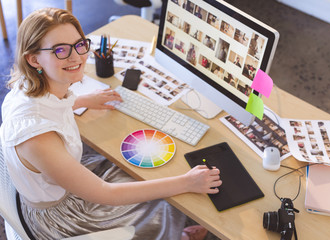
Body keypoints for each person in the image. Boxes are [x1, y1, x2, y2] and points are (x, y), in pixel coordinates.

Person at [0, 8, 222, 240]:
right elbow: (106, 194)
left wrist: (84, 100)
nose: (76, 57)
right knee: (165, 201)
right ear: (34, 59)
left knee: (139, 171)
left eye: (79, 45)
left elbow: (49, 107)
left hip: (54, 184)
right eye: (60, 50)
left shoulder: (27, 87)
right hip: (64, 218)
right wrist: (186, 182)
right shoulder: (38, 138)